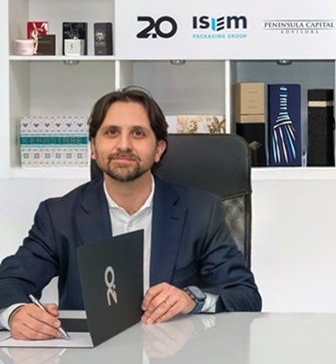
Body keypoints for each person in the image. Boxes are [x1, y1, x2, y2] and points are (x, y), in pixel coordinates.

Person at [0, 87, 262, 340]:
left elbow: (244, 295)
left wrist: (191, 298)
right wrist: (15, 314)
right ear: (93, 148)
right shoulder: (58, 215)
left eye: (138, 133)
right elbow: (9, 282)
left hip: (175, 353)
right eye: (111, 132)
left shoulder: (201, 211)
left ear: (158, 149)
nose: (123, 145)